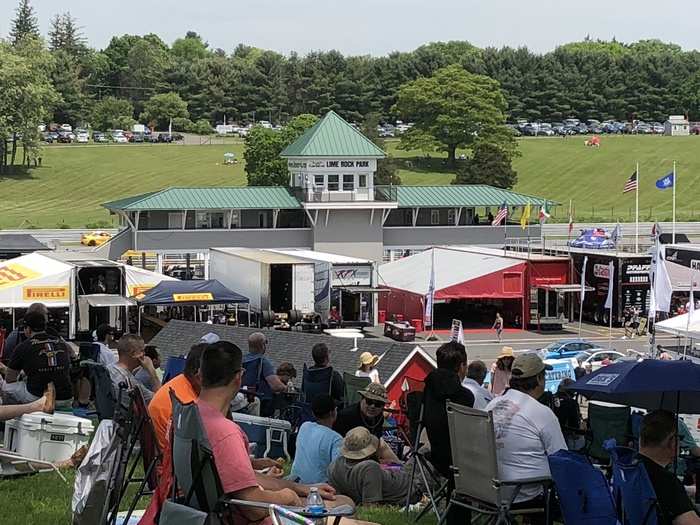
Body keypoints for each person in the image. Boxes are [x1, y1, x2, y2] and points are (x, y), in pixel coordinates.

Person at [187, 341, 367, 525]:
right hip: (246, 517)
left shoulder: (188, 417)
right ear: (239, 377)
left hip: (203, 514)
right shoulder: (226, 432)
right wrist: (287, 496)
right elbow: (253, 508)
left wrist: (302, 488)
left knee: (338, 502)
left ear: (200, 375)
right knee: (345, 504)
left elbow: (244, 481)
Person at [485, 353, 566, 508]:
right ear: (538, 380)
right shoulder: (542, 413)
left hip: (491, 490)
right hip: (526, 492)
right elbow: (561, 459)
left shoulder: (492, 405)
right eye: (544, 376)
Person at [423, 341, 474, 525]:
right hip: (460, 462)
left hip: (436, 456)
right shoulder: (465, 396)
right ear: (461, 366)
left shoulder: (428, 388)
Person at [327, 426, 425, 506]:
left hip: (402, 476)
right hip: (412, 489)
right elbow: (371, 506)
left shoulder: (334, 465)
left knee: (422, 454)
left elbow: (336, 498)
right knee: (425, 453)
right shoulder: (369, 467)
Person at [638, 410, 700, 525]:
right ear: (672, 442)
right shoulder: (667, 481)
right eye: (679, 439)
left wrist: (685, 491)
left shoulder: (633, 467)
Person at [4, 311, 73, 408]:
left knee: (6, 387)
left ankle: (14, 418)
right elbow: (72, 357)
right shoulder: (61, 343)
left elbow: (10, 379)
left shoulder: (23, 347)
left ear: (28, 329)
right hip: (66, 398)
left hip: (39, 398)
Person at [148, 343, 208, 453]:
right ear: (199, 376)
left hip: (164, 456)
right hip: (172, 464)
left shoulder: (178, 384)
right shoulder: (188, 406)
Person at [290, 394, 343, 484]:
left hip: (295, 481)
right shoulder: (336, 439)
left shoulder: (304, 426)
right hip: (318, 488)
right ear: (333, 412)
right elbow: (337, 472)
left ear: (313, 413)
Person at [106, 334, 160, 404]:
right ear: (133, 353)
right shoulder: (131, 383)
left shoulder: (108, 369)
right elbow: (159, 400)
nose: (144, 355)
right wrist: (151, 370)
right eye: (142, 351)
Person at [242, 332, 287, 416]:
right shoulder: (263, 362)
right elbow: (276, 386)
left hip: (241, 400)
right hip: (260, 404)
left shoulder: (241, 360)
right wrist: (286, 387)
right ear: (263, 346)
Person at [551, 378, 583, 450]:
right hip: (565, 437)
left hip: (550, 435)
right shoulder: (572, 403)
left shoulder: (551, 398)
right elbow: (575, 425)